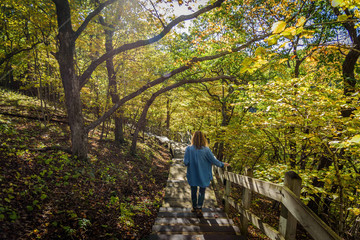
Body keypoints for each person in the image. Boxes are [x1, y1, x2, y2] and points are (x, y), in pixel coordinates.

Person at [183, 131, 230, 214]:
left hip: (192, 174)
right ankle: (199, 208)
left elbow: (186, 162)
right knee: (202, 191)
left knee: (193, 191)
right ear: (203, 139)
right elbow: (214, 161)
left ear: (193, 138)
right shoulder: (206, 150)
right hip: (203, 175)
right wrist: (222, 164)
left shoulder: (188, 149)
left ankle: (194, 207)